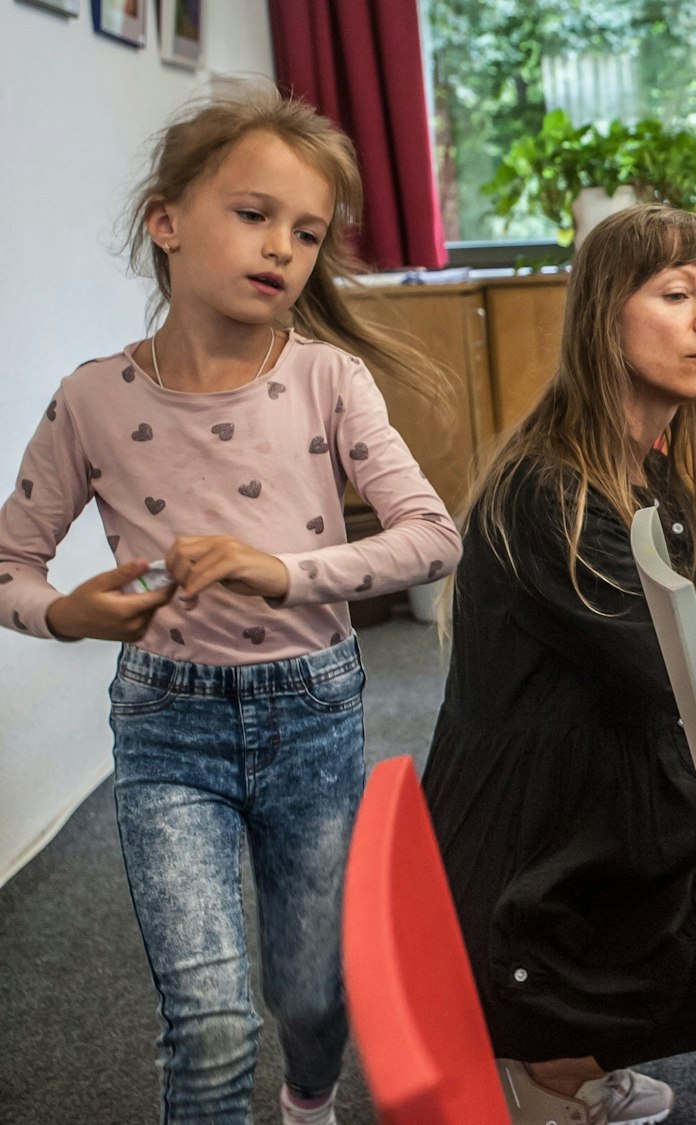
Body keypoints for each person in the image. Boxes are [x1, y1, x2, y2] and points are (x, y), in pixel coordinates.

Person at [0, 86, 462, 1124]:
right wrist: (67, 615)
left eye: (307, 232)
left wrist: (283, 572)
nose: (282, 249)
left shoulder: (329, 379)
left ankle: (310, 1102)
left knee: (312, 995)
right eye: (254, 214)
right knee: (208, 1021)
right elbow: (9, 565)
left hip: (313, 715)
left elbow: (435, 537)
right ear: (165, 221)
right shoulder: (91, 399)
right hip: (167, 727)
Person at [422, 204, 696, 1125]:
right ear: (606, 317)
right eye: (677, 294)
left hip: (583, 807)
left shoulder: (639, 468)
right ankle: (551, 1060)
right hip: (538, 872)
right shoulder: (552, 493)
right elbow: (693, 674)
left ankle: (563, 1047)